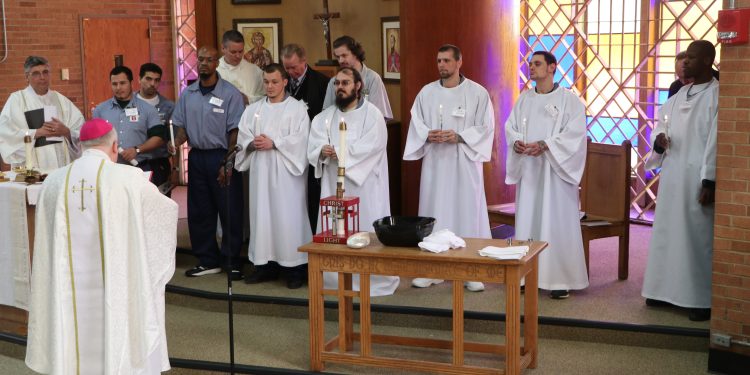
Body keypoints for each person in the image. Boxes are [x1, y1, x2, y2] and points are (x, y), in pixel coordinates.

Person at [25, 118, 177, 374]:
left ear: (82, 146)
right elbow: (164, 214)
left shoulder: (53, 182)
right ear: (115, 146)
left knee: (70, 335)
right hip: (117, 289)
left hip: (67, 290)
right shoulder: (129, 178)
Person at [403, 45, 494, 292]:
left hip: (464, 162)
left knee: (467, 210)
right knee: (435, 210)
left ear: (459, 62)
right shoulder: (427, 93)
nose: (441, 65)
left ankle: (471, 271)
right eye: (438, 60)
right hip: (436, 164)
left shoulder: (477, 93)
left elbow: (486, 126)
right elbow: (417, 123)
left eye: (446, 60)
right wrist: (428, 134)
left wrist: (460, 136)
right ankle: (432, 269)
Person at [642, 40, 718, 322]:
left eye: (693, 57)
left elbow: (716, 141)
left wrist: (709, 180)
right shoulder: (677, 96)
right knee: (667, 232)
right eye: (685, 57)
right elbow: (660, 125)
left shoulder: (718, 96)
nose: (685, 62)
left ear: (709, 59)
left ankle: (699, 297)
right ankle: (662, 290)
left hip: (696, 176)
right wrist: (658, 141)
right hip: (673, 172)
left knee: (696, 236)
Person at [505, 51, 589, 299]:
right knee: (529, 218)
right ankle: (525, 275)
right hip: (530, 170)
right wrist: (517, 143)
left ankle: (559, 279)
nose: (532, 68)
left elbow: (575, 135)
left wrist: (546, 144)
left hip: (556, 172)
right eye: (530, 64)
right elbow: (511, 128)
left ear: (552, 67)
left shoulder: (569, 101)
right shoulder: (524, 100)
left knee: (556, 223)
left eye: (538, 64)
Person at [308, 67, 399, 296]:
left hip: (365, 185)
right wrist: (322, 150)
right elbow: (314, 145)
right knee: (335, 229)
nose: (340, 87)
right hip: (333, 185)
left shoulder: (373, 115)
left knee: (365, 226)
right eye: (337, 83)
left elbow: (374, 145)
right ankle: (333, 278)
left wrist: (339, 152)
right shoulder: (325, 117)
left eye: (345, 83)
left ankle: (373, 280)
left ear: (358, 86)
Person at [170, 46, 246, 280]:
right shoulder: (188, 94)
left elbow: (235, 131)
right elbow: (180, 128)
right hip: (197, 157)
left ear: (216, 63)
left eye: (209, 60)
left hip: (221, 156)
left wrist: (228, 163)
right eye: (200, 59)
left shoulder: (230, 94)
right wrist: (175, 143)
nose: (203, 63)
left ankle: (232, 260)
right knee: (200, 211)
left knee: (229, 209)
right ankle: (207, 260)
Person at [235, 64, 311, 289]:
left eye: (274, 82)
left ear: (285, 82)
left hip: (287, 176)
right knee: (263, 217)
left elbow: (302, 140)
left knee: (289, 219)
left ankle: (295, 268)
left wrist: (275, 142)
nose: (269, 86)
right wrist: (251, 143)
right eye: (266, 82)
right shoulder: (253, 110)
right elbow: (243, 137)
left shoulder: (296, 109)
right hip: (261, 173)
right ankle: (265, 266)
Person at [0, 56, 84, 173]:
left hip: (61, 168)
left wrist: (66, 131)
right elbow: (6, 134)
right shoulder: (17, 100)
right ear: (27, 77)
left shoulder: (61, 101)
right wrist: (37, 133)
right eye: (36, 74)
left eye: (45, 72)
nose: (42, 77)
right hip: (31, 171)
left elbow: (81, 131)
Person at [92, 66, 170, 187]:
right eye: (114, 84)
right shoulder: (100, 110)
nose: (118, 88)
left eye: (122, 83)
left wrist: (137, 150)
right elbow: (94, 140)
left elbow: (158, 138)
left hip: (139, 168)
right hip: (111, 170)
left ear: (131, 83)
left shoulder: (148, 109)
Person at [281, 43, 329, 234]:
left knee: (310, 195)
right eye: (286, 67)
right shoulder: (281, 81)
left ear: (304, 61)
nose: (290, 72)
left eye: (293, 67)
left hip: (310, 148)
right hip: (287, 148)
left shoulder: (322, 83)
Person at [322, 35, 393, 121]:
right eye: (338, 57)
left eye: (344, 55)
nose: (340, 60)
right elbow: (326, 114)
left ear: (355, 54)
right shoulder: (333, 81)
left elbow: (379, 116)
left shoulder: (373, 79)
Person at [217, 30, 265, 105]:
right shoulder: (215, 71)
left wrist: (248, 100)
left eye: (240, 51)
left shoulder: (255, 71)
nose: (238, 56)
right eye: (233, 52)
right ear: (223, 48)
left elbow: (265, 97)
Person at [136, 62, 175, 127]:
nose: (152, 84)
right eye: (148, 79)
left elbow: (172, 134)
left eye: (156, 80)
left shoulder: (169, 107)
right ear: (139, 79)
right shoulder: (128, 103)